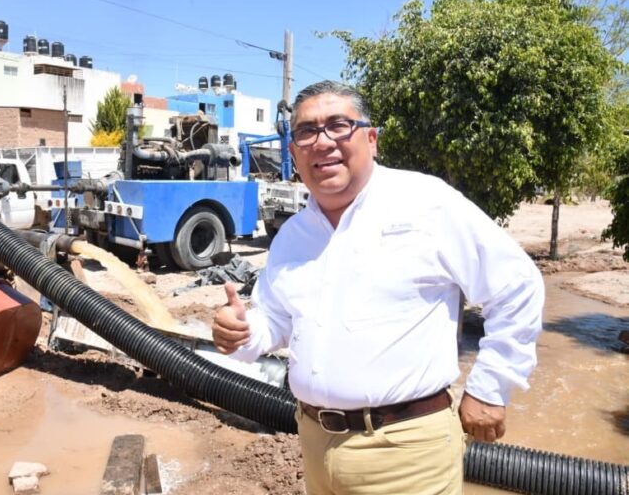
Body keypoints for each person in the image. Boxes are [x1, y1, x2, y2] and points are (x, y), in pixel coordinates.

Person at [212, 81, 544, 494]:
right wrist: (242, 332)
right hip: (313, 440)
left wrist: (491, 387)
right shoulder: (293, 236)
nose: (322, 142)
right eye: (307, 131)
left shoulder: (425, 203)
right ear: (294, 152)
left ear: (371, 139)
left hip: (404, 451)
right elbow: (276, 323)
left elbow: (517, 285)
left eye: (338, 125)